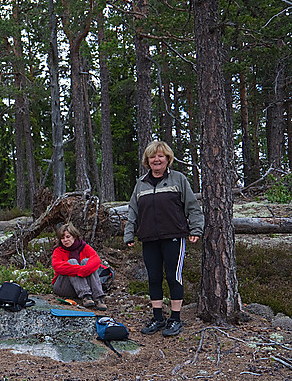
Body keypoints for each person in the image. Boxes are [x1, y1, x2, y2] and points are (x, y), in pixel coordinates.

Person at [125, 140, 204, 337]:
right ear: (147, 161)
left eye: (160, 156)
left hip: (174, 236)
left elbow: (192, 207)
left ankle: (175, 319)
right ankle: (158, 318)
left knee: (173, 276)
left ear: (167, 159)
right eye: (153, 156)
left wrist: (196, 229)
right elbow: (133, 211)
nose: (156, 160)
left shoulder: (178, 179)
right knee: (154, 278)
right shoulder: (140, 184)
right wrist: (129, 233)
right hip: (149, 238)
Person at [51, 223, 107, 311]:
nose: (65, 240)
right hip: (63, 286)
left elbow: (96, 260)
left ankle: (98, 297)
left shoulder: (84, 247)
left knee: (86, 261)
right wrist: (80, 270)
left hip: (80, 286)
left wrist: (85, 269)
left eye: (68, 237)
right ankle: (86, 296)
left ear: (74, 236)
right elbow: (58, 267)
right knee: (72, 262)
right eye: (62, 238)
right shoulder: (58, 251)